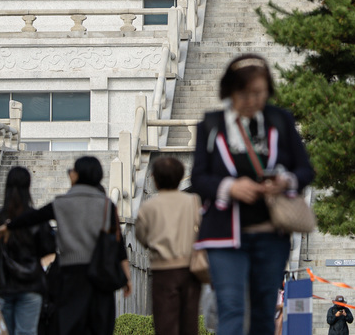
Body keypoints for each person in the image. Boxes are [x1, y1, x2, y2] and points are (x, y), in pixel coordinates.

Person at [188, 54, 315, 335]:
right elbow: (199, 177)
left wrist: (285, 181)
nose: (252, 100)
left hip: (271, 233)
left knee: (263, 311)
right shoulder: (211, 125)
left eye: (259, 93)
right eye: (244, 93)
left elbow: (306, 170)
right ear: (230, 91)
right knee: (231, 308)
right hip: (224, 236)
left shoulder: (280, 121)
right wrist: (229, 187)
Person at [0, 156, 130, 335]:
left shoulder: (61, 203)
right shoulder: (107, 205)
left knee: (70, 326)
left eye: (72, 171)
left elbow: (34, 216)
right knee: (100, 327)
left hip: (70, 275)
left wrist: (9, 226)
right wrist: (127, 277)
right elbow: (117, 244)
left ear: (77, 175)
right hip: (101, 275)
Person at [134, 157, 201, 335]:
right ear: (180, 178)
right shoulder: (193, 201)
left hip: (163, 269)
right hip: (190, 268)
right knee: (189, 322)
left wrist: (153, 244)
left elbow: (140, 235)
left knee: (165, 323)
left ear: (154, 179)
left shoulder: (149, 206)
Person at [0, 168, 55, 335]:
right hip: (31, 283)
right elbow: (49, 247)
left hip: (2, 284)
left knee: (4, 331)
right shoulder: (35, 218)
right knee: (27, 331)